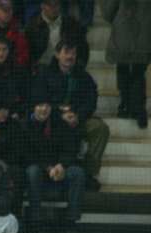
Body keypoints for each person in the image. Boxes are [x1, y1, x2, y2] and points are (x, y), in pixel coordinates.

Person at [29, 40, 107, 191]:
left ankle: (89, 172)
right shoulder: (45, 74)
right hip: (51, 120)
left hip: (77, 118)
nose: (70, 57)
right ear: (57, 54)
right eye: (66, 52)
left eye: (73, 53)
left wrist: (78, 115)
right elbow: (39, 99)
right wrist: (59, 114)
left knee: (100, 128)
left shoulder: (83, 76)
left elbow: (91, 100)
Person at [103, 0, 151, 129]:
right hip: (146, 28)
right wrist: (150, 14)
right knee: (139, 71)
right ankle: (139, 108)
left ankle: (125, 105)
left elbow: (109, 11)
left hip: (124, 25)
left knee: (123, 67)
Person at [22, 99, 85, 224]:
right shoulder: (25, 125)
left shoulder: (60, 124)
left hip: (58, 168)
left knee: (77, 173)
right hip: (39, 167)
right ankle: (35, 218)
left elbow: (70, 148)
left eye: (47, 106)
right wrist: (48, 167)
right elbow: (26, 154)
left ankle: (72, 219)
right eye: (40, 105)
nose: (44, 109)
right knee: (33, 171)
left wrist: (62, 165)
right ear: (34, 107)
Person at [25, 0, 89, 69]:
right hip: (41, 68)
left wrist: (78, 68)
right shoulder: (33, 26)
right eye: (49, 5)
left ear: (60, 5)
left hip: (66, 68)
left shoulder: (72, 24)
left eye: (56, 4)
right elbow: (28, 54)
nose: (53, 8)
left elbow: (83, 49)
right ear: (42, 6)